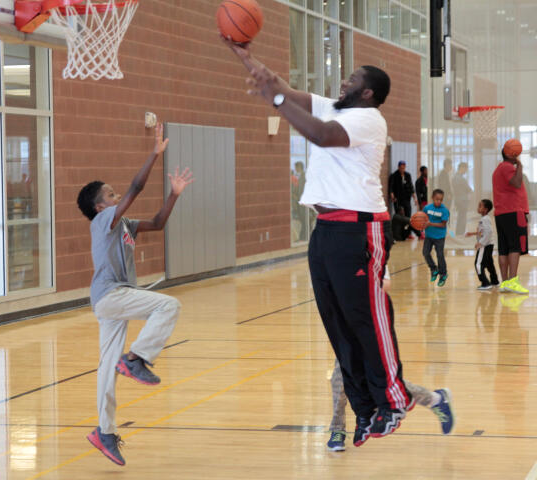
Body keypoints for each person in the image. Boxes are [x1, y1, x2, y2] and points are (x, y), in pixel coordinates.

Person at [222, 39, 414, 446]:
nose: (345, 80)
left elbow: (322, 135)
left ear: (368, 92)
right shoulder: (336, 105)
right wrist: (243, 53)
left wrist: (274, 99)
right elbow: (281, 87)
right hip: (326, 229)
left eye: (354, 79)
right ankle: (365, 411)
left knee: (366, 318)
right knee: (338, 324)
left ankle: (393, 400)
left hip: (359, 228)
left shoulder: (368, 119)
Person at [76, 123, 194, 466]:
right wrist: (154, 155)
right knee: (170, 305)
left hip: (112, 301)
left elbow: (157, 223)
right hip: (111, 295)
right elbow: (136, 187)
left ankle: (105, 432)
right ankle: (137, 358)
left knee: (105, 369)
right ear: (101, 208)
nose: (117, 199)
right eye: (111, 196)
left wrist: (174, 194)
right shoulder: (102, 223)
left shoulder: (123, 225)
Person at [326, 266, 454, 451]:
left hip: (368, 325)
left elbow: (385, 284)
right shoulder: (332, 252)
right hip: (344, 325)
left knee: (373, 379)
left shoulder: (371, 250)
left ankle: (435, 399)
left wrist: (355, 288)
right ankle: (435, 399)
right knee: (342, 377)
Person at [492, 141, 530, 295]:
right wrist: (519, 165)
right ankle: (513, 282)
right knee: (515, 247)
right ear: (511, 154)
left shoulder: (498, 169)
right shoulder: (508, 167)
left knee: (504, 249)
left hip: (501, 214)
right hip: (513, 212)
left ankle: (506, 282)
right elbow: (516, 182)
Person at [466, 199, 499, 291]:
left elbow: (488, 232)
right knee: (489, 264)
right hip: (489, 245)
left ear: (485, 209)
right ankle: (495, 281)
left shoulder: (485, 219)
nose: (478, 208)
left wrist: (480, 243)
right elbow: (482, 232)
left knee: (478, 264)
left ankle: (485, 283)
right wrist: (472, 233)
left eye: (480, 206)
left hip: (485, 246)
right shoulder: (485, 219)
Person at [422, 189, 450, 287]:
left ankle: (443, 274)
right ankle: (434, 269)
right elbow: (422, 219)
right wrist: (421, 225)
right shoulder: (427, 208)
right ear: (432, 198)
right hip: (429, 236)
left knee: (440, 255)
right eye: (437, 199)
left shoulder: (444, 210)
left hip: (439, 237)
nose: (439, 201)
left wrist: (430, 223)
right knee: (425, 253)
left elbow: (443, 224)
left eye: (441, 200)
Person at [452, 162, 473, 235]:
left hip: (459, 200)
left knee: (461, 217)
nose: (466, 171)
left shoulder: (456, 177)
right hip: (462, 200)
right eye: (466, 169)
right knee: (462, 218)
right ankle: (460, 234)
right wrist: (469, 190)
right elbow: (467, 188)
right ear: (462, 168)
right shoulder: (459, 178)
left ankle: (459, 234)